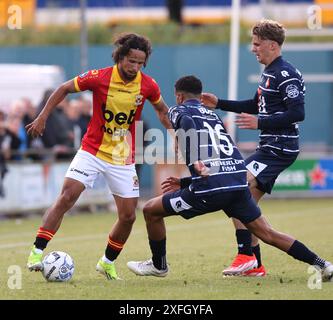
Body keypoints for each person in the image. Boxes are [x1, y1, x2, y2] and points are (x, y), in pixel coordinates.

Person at [126, 75, 333, 283]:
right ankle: (322, 264)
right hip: (237, 184)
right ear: (200, 97)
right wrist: (185, 182)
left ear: (179, 97)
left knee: (150, 210)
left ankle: (159, 265)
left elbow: (185, 122)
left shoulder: (179, 110)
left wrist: (193, 155)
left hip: (208, 190)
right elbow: (221, 159)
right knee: (267, 233)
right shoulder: (213, 116)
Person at [26, 33, 171, 280]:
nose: (135, 67)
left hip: (123, 156)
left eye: (140, 63)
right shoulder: (99, 77)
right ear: (121, 57)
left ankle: (106, 262)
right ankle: (37, 252)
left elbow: (161, 109)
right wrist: (42, 117)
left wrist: (176, 131)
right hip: (92, 150)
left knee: (128, 216)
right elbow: (63, 89)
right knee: (67, 197)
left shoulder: (148, 85)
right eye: (131, 61)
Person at [201, 19, 305, 277]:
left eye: (257, 44)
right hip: (270, 146)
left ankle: (246, 256)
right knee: (243, 203)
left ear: (271, 45)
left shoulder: (286, 73)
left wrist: (261, 122)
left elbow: (298, 113)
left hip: (280, 148)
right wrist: (220, 103)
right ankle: (254, 264)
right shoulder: (268, 72)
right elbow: (255, 105)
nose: (252, 48)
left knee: (237, 188)